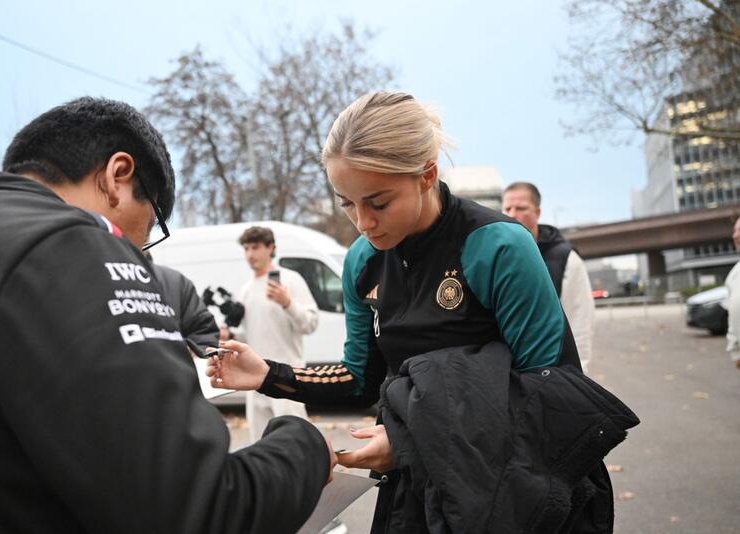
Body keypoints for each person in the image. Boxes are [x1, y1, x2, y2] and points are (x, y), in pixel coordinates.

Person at [0, 97, 334, 533]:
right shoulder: (69, 244)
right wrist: (305, 444)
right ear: (118, 178)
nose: (143, 249)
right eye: (153, 223)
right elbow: (198, 510)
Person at [208, 91, 633, 532]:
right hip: (418, 491)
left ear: (426, 175)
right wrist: (267, 375)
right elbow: (361, 377)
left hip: (518, 488)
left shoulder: (497, 246)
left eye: (378, 202)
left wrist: (411, 439)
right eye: (346, 203)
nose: (363, 222)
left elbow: (550, 392)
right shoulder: (361, 262)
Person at [232, 226, 319, 441]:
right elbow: (248, 336)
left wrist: (287, 302)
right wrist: (229, 337)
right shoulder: (246, 289)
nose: (250, 254)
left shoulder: (291, 280)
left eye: (255, 247)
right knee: (260, 445)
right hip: (255, 378)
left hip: (287, 376)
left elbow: (310, 323)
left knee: (294, 440)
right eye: (246, 248)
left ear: (271, 247)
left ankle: (306, 475)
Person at [502, 181, 596, 373]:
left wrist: (579, 375)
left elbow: (580, 320)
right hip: (507, 375)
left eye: (521, 208)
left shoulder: (566, 259)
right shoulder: (497, 257)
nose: (512, 214)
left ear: (537, 212)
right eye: (507, 208)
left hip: (554, 372)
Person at [724, 217, 740, 369]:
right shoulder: (734, 275)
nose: (735, 236)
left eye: (739, 230)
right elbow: (733, 316)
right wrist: (735, 351)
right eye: (735, 230)